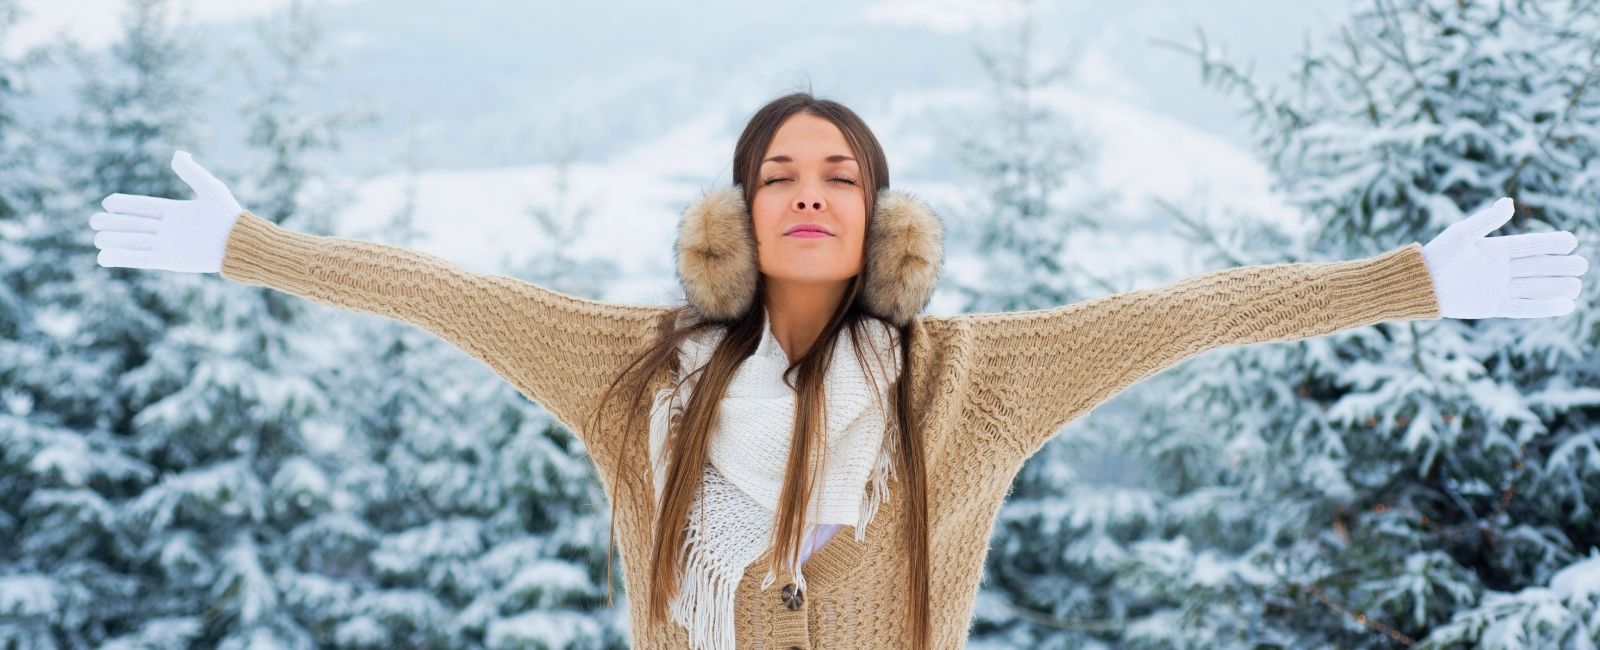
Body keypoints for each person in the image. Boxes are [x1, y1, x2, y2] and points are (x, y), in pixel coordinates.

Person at [89, 91, 1586, 650]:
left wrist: (1416, 282)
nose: (809, 190)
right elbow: (439, 294)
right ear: (740, 217)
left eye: (841, 173)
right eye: (780, 172)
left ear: (878, 214)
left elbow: (1193, 312)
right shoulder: (637, 374)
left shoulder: (973, 377)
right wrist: (246, 244)